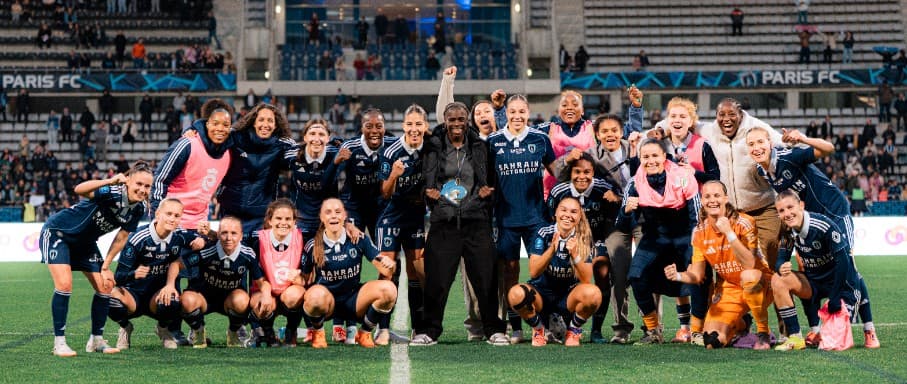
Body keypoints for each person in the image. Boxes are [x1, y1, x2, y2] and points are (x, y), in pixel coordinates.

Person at [746, 126, 875, 345]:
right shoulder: (762, 171)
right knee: (808, 270)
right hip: (808, 220)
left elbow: (829, 149)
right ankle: (814, 328)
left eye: (760, 142)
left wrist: (803, 138)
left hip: (834, 212)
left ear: (770, 142)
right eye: (751, 144)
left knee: (848, 266)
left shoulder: (790, 156)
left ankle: (869, 329)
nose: (756, 148)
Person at [40, 161, 153, 357]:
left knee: (106, 285)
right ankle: (59, 343)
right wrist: (109, 180)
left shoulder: (138, 209)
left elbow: (121, 237)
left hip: (86, 243)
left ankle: (96, 340)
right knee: (65, 285)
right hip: (60, 233)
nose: (143, 190)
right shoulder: (113, 192)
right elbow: (79, 189)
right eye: (139, 184)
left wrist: (106, 266)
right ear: (128, 182)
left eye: (147, 186)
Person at [417, 102, 507, 345]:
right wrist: (430, 193)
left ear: (468, 120)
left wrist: (487, 194)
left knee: (486, 279)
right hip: (444, 222)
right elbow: (425, 180)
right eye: (452, 119)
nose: (457, 124)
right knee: (437, 280)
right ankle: (429, 331)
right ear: (444, 121)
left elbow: (491, 179)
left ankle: (494, 330)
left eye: (461, 119)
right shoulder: (432, 147)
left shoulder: (480, 146)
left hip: (476, 220)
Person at [664, 181, 774, 349]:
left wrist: (729, 233)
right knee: (712, 341)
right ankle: (742, 323)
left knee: (748, 276)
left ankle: (763, 333)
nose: (712, 200)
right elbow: (698, 275)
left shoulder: (744, 222)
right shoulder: (700, 231)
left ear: (725, 198)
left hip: (760, 283)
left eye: (717, 196)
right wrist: (678, 276)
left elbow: (750, 264)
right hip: (729, 288)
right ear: (701, 201)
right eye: (707, 196)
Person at [771, 190, 879, 350]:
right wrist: (781, 265)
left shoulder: (822, 225)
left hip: (840, 284)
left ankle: (869, 329)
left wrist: (835, 297)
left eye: (790, 207)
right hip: (814, 283)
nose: (787, 213)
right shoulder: (787, 230)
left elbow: (844, 262)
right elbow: (781, 258)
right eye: (781, 210)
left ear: (801, 205)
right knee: (777, 279)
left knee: (830, 344)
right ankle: (795, 337)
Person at [487, 95, 556, 343]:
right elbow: (487, 180)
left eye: (522, 112)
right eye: (512, 111)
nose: (517, 116)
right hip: (506, 219)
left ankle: (545, 323)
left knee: (540, 272)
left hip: (537, 218)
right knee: (510, 272)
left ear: (528, 113)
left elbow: (557, 173)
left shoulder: (540, 139)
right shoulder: (492, 142)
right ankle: (515, 327)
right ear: (505, 113)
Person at [617, 138, 700, 344]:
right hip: (654, 237)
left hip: (684, 235)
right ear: (640, 158)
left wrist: (694, 247)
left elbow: (696, 217)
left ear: (664, 157)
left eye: (655, 155)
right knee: (636, 275)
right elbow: (621, 223)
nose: (650, 160)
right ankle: (653, 331)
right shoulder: (634, 183)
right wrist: (627, 210)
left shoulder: (683, 177)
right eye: (646, 156)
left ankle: (694, 330)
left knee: (693, 277)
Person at [300, 198, 398, 348]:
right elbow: (305, 280)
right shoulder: (312, 245)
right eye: (328, 212)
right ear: (321, 217)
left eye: (338, 212)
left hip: (355, 300)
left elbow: (385, 269)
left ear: (345, 216)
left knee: (389, 290)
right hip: (328, 303)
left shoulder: (358, 239)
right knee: (314, 296)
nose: (333, 216)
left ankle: (364, 333)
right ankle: (318, 333)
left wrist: (390, 265)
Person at [107, 199, 204, 349]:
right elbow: (118, 277)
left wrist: (200, 241)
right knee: (109, 298)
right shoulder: (138, 239)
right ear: (157, 214)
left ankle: (163, 329)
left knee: (173, 299)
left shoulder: (179, 236)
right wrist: (134, 274)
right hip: (133, 295)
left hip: (158, 296)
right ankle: (125, 327)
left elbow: (200, 240)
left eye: (177, 215)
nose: (172, 219)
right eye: (169, 214)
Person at [507, 197, 604, 347]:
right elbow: (533, 272)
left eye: (573, 212)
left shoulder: (584, 237)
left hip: (568, 299)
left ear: (579, 217)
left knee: (594, 294)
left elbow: (586, 279)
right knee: (516, 294)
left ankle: (573, 331)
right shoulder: (543, 232)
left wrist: (575, 255)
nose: (567, 215)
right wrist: (552, 249)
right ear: (556, 213)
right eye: (563, 210)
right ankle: (539, 329)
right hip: (542, 295)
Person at [547, 153, 620, 344]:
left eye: (587, 172)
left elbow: (617, 210)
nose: (582, 176)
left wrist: (617, 198)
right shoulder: (559, 191)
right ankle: (567, 322)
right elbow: (548, 217)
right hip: (567, 239)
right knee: (566, 275)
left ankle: (596, 330)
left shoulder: (603, 188)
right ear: (570, 173)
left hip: (596, 240)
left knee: (601, 269)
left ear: (593, 173)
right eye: (577, 171)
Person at [378, 104, 428, 344]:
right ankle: (383, 329)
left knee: (417, 270)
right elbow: (385, 193)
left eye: (419, 124)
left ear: (425, 126)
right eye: (410, 124)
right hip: (392, 214)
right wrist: (393, 176)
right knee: (388, 268)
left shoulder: (430, 148)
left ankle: (418, 329)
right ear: (403, 126)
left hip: (417, 215)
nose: (414, 129)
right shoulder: (391, 151)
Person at [210, 103, 297, 235]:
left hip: (260, 215)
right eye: (261, 120)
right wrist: (195, 128)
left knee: (255, 255)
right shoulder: (236, 136)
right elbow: (211, 131)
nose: (265, 124)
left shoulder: (282, 144)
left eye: (270, 121)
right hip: (230, 210)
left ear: (276, 125)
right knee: (230, 254)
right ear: (254, 122)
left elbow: (301, 154)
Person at [179, 216, 263, 348]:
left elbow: (261, 281)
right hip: (204, 299)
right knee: (186, 300)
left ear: (241, 236)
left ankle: (233, 332)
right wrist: (169, 285)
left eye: (234, 233)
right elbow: (178, 265)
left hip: (229, 301)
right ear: (218, 234)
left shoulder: (247, 254)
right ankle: (198, 332)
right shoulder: (207, 250)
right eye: (224, 233)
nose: (229, 238)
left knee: (242, 300)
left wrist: (267, 295)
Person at [246, 199, 307, 347]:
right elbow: (230, 239)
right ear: (270, 220)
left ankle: (290, 332)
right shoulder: (257, 239)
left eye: (288, 219)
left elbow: (325, 234)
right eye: (278, 218)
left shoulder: (302, 237)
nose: (283, 222)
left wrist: (299, 279)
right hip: (264, 291)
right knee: (261, 302)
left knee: (297, 294)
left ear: (294, 222)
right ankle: (268, 333)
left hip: (288, 292)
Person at [291, 118, 342, 240]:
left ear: (328, 138)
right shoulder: (292, 156)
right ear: (305, 137)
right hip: (301, 220)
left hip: (327, 220)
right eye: (312, 134)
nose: (316, 139)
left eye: (321, 134)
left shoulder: (336, 154)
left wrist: (342, 142)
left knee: (325, 258)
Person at [539, 90, 596, 196]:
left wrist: (636, 107)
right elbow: (517, 132)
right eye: (564, 105)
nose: (569, 107)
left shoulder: (593, 127)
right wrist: (500, 110)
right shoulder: (548, 129)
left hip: (587, 194)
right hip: (552, 194)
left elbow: (621, 130)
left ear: (582, 110)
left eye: (575, 104)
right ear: (558, 110)